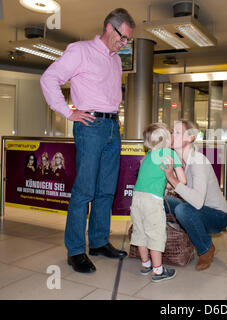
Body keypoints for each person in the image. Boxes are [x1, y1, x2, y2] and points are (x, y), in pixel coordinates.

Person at [40, 8, 135, 273]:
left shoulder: (116, 60)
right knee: (84, 190)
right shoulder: (80, 50)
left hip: (112, 126)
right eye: (123, 37)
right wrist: (68, 112)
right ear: (109, 28)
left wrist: (115, 121)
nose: (124, 43)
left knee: (106, 188)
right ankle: (75, 250)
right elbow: (49, 79)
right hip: (90, 126)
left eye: (128, 40)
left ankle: (98, 241)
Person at [161, 120, 227, 271]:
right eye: (172, 131)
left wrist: (172, 179)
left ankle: (205, 248)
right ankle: (162, 241)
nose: (172, 135)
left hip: (217, 216)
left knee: (183, 210)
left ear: (190, 138)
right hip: (195, 208)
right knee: (161, 201)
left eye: (177, 132)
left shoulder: (198, 161)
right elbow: (170, 192)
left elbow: (198, 202)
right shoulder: (176, 162)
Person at [130, 123, 186, 282]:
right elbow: (182, 181)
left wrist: (167, 184)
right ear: (167, 139)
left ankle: (145, 264)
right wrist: (172, 180)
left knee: (140, 232)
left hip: (137, 198)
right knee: (155, 234)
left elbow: (156, 180)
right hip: (152, 201)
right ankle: (158, 271)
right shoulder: (170, 153)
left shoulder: (147, 157)